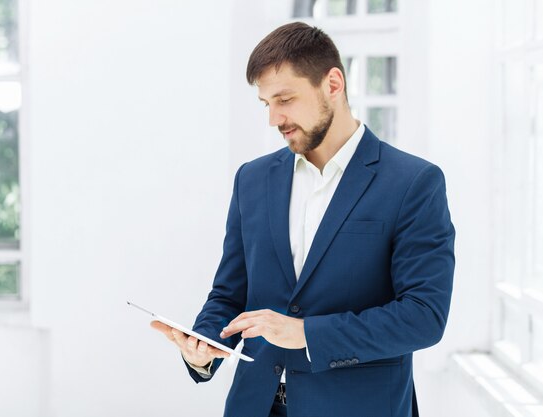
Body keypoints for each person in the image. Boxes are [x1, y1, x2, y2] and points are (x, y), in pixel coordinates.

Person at [152, 21, 455, 417]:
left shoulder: (414, 183)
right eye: (266, 104)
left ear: (333, 84)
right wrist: (205, 346)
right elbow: (230, 293)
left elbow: (423, 317)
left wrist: (307, 335)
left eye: (285, 99)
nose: (274, 119)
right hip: (255, 406)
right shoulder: (252, 179)